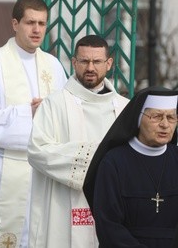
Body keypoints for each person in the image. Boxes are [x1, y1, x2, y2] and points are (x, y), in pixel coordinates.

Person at [0, 0, 67, 246]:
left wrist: (49, 117)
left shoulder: (54, 66)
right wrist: (28, 114)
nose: (37, 30)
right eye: (30, 22)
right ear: (15, 24)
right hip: (5, 171)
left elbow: (66, 118)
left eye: (42, 24)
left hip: (44, 173)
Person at [27, 34, 129, 247]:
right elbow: (37, 151)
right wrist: (97, 155)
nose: (90, 67)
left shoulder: (124, 108)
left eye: (97, 61)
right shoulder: (54, 104)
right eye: (84, 61)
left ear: (109, 64)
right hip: (63, 206)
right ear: (74, 63)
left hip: (112, 205)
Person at [83, 87, 178, 247]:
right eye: (156, 116)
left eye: (171, 117)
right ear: (139, 119)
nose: (165, 124)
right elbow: (108, 224)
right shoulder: (113, 162)